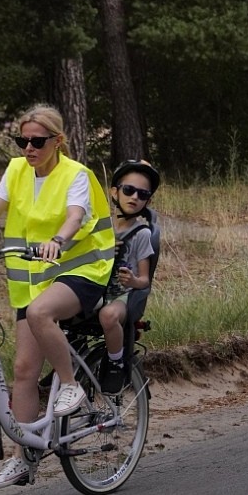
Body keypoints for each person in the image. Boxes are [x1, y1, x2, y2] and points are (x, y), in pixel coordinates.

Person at [0, 104, 115, 489]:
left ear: (58, 141)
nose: (29, 148)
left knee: (39, 313)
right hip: (33, 280)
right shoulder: (17, 170)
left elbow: (74, 215)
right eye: (23, 141)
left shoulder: (76, 175)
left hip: (82, 270)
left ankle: (71, 385)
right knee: (23, 370)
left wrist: (58, 241)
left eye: (37, 141)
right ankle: (23, 457)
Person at [96, 160, 159, 395]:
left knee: (109, 315)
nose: (134, 197)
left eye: (142, 194)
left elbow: (145, 280)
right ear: (114, 191)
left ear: (147, 201)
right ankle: (67, 363)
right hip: (93, 288)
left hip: (120, 296)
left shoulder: (141, 234)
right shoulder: (100, 227)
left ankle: (115, 362)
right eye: (128, 190)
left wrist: (132, 281)